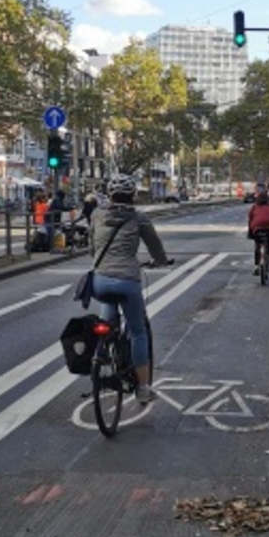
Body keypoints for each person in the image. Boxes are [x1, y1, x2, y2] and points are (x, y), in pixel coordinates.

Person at [89, 173, 170, 403]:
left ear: (110, 195)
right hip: (127, 280)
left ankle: (101, 356)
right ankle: (143, 387)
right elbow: (156, 248)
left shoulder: (97, 215)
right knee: (137, 332)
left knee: (107, 322)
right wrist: (160, 262)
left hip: (100, 279)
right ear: (133, 195)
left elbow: (92, 248)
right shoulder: (139, 218)